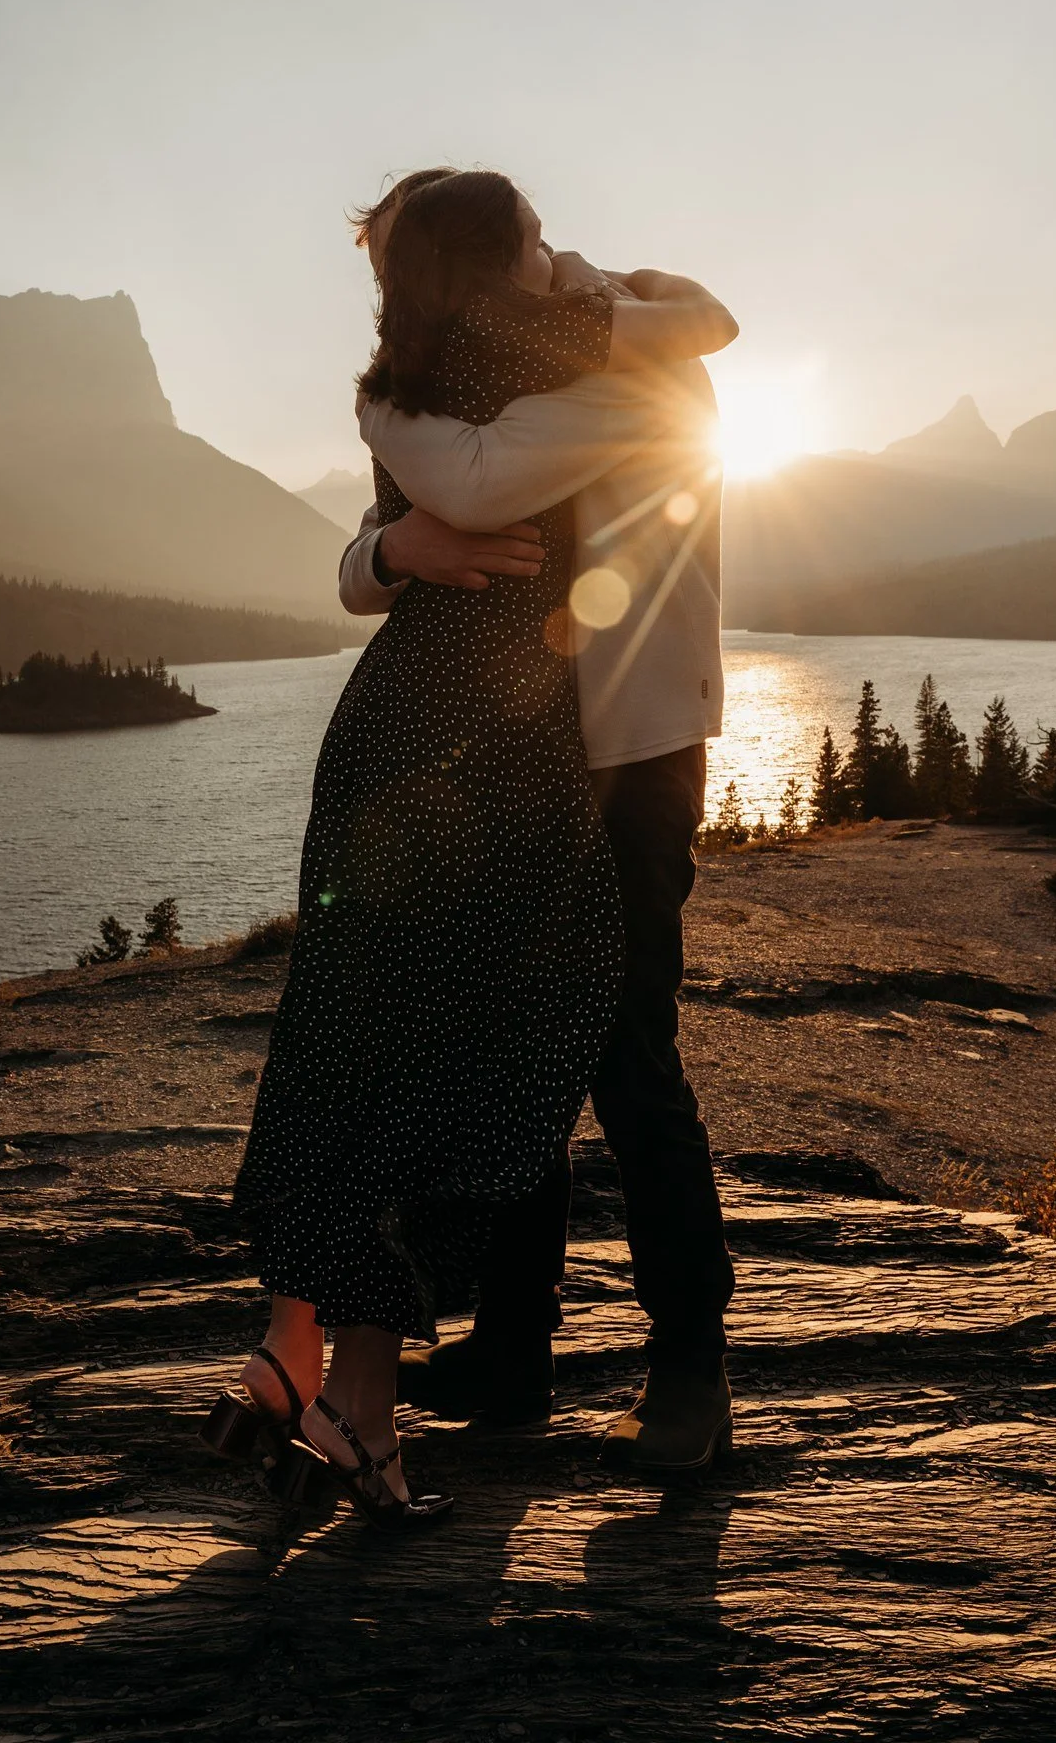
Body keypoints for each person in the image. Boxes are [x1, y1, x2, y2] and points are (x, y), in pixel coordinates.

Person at [211, 170, 735, 1526]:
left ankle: (689, 1366)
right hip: (512, 742)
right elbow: (375, 534)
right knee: (500, 1034)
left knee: (623, 1047)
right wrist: (391, 547)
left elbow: (509, 457)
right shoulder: (444, 378)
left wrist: (593, 308)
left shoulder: (625, 353)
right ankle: (511, 1348)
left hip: (628, 746)